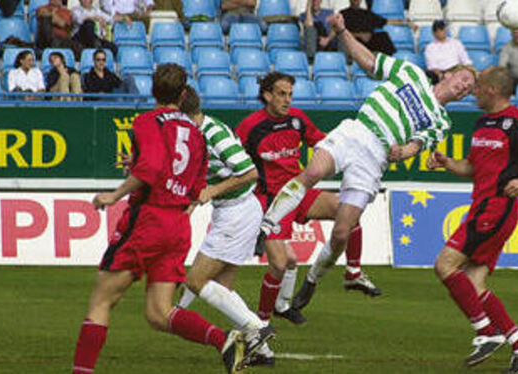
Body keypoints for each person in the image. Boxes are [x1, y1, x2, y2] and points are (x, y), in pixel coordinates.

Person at [259, 13, 476, 313]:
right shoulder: (411, 73)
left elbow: (419, 143)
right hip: (356, 131)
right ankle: (269, 223)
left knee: (341, 233)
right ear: (448, 74)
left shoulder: (442, 121)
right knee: (313, 171)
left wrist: (405, 151)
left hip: (375, 159)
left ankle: (311, 280)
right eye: (463, 79)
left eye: (469, 88)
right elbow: (371, 62)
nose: (464, 86)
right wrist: (342, 31)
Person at [71, 64, 245, 374]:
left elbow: (151, 168)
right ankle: (225, 340)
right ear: (182, 94)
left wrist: (115, 194)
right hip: (178, 225)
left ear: (152, 90)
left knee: (101, 301)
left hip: (149, 219)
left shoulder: (147, 121)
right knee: (159, 313)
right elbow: (194, 187)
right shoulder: (195, 133)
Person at [428, 66, 518, 374]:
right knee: (473, 283)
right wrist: (449, 163)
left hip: (497, 208)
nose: (473, 91)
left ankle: (486, 332)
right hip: (481, 206)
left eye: (478, 86)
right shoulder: (481, 123)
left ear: (492, 90)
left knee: (444, 264)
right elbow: (472, 169)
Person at [235, 71, 381, 326]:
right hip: (272, 201)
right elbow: (233, 163)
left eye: (290, 94)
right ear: (267, 95)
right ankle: (261, 325)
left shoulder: (297, 119)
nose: (287, 100)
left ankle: (353, 271)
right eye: (282, 94)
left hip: (299, 191)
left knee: (348, 209)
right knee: (281, 264)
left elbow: (325, 142)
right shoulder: (250, 127)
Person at [174, 85, 276, 369]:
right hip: (233, 212)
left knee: (196, 280)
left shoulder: (213, 133)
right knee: (222, 287)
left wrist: (213, 191)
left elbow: (250, 172)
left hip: (238, 212)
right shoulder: (195, 134)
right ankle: (263, 351)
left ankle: (257, 327)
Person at [423, 19, 472, 84]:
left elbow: (465, 60)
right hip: (440, 72)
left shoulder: (456, 43)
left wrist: (469, 69)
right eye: (437, 31)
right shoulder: (430, 47)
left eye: (441, 29)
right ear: (433, 33)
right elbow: (432, 66)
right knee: (430, 75)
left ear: (445, 30)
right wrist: (441, 75)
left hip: (456, 70)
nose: (440, 32)